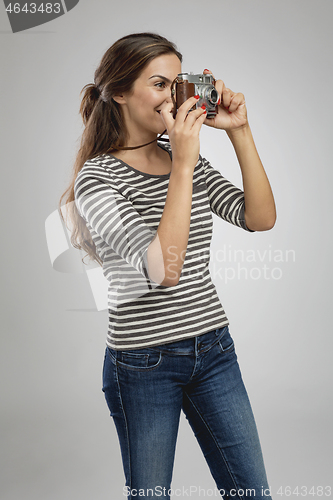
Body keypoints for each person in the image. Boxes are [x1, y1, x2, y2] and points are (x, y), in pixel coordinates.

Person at [59, 32, 276, 500]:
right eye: (159, 83)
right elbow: (163, 271)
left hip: (214, 349)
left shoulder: (186, 159)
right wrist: (182, 164)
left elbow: (259, 218)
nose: (173, 96)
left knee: (252, 493)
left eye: (178, 83)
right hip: (143, 363)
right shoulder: (97, 178)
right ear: (119, 91)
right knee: (151, 496)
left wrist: (239, 130)